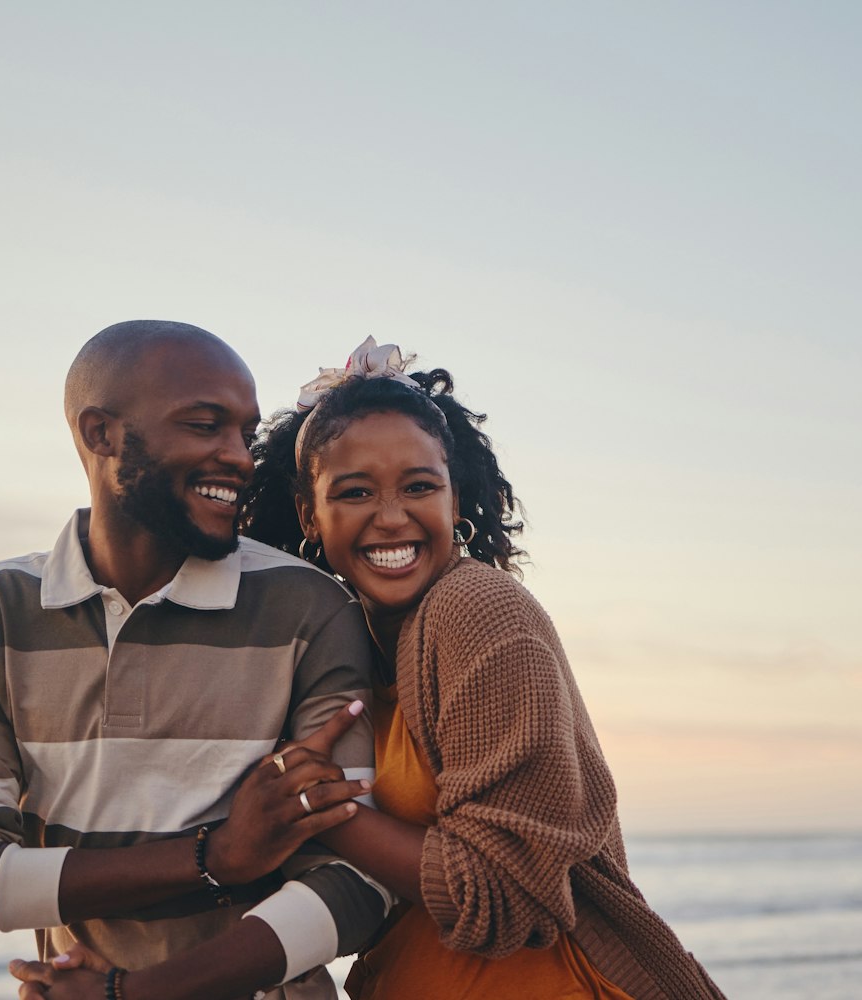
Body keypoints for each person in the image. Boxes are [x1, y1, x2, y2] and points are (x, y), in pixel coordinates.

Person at [0, 321, 391, 1000]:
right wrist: (214, 857)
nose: (241, 458)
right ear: (100, 434)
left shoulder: (310, 609)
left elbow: (355, 883)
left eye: (244, 434)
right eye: (204, 425)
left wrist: (133, 994)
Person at [236, 339, 727, 999]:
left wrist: (325, 809)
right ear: (309, 516)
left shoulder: (476, 609)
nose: (390, 517)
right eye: (355, 492)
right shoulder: (340, 641)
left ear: (454, 497)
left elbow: (505, 891)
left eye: (419, 487)